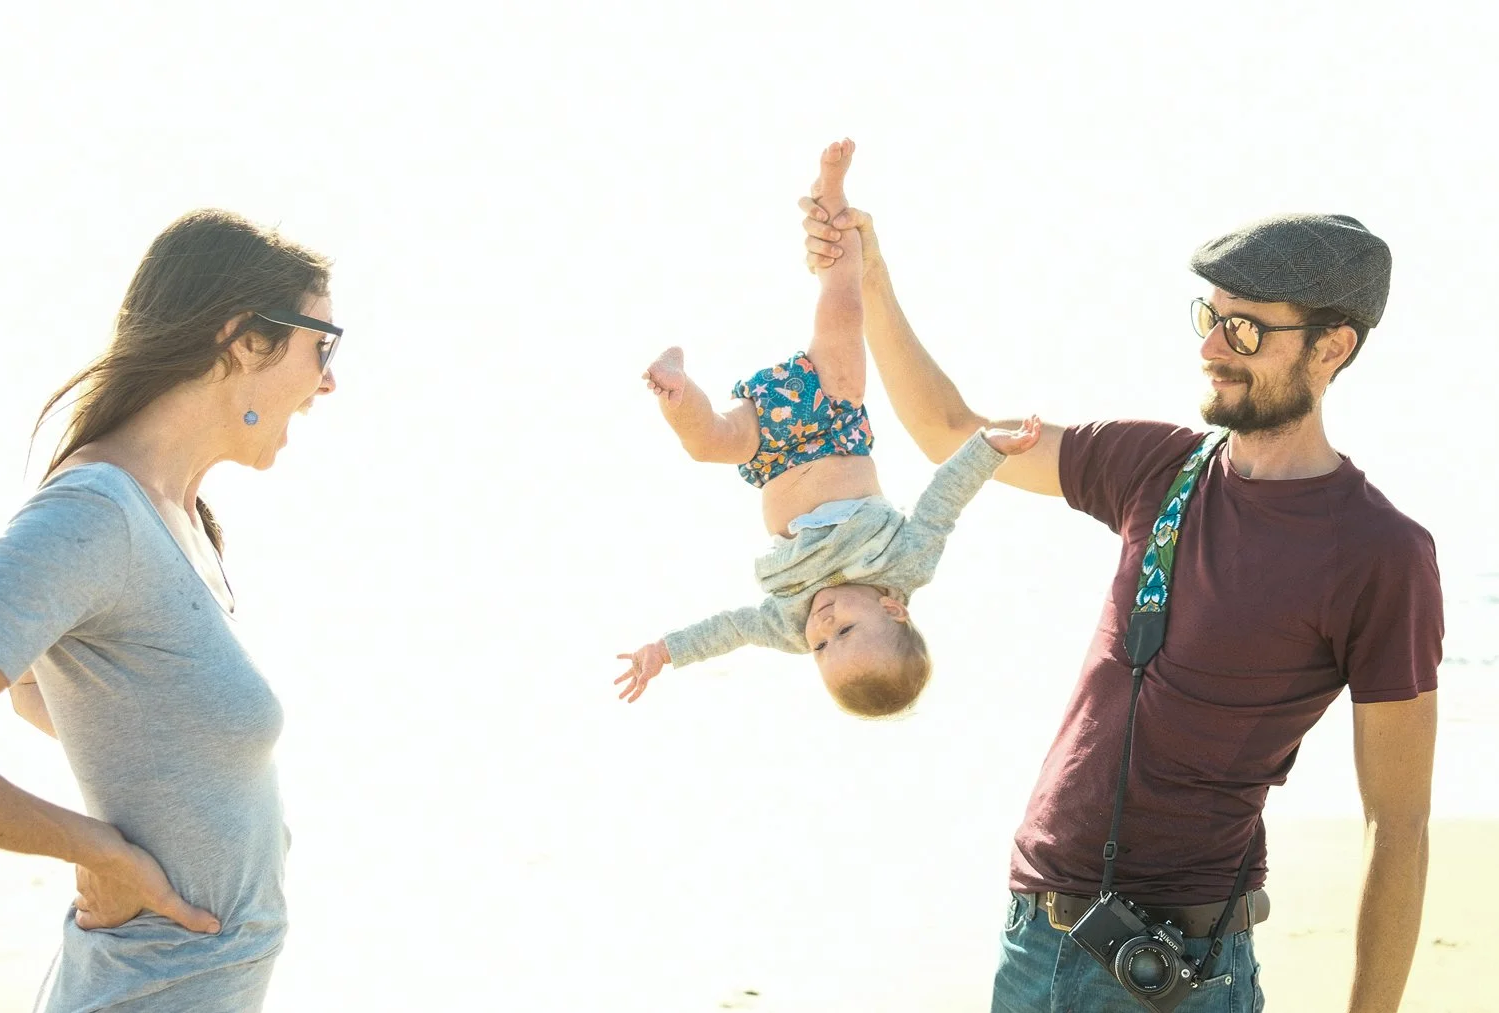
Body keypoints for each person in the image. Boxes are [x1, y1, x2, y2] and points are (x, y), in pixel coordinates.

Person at [799, 198, 1441, 1011]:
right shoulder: (1156, 465)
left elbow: (1399, 823)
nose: (1211, 346)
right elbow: (949, 430)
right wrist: (873, 274)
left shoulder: (1381, 553)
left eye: (1246, 330)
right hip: (1035, 938)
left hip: (1177, 972)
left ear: (1331, 347)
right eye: (1212, 317)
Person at [0, 208, 341, 1011]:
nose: (329, 381)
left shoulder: (177, 513)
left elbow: (44, 690)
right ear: (246, 338)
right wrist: (101, 850)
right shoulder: (96, 512)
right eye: (324, 345)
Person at [614, 140, 1041, 717]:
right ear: (894, 611)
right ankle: (832, 199)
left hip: (769, 455)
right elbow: (945, 500)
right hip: (833, 418)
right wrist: (990, 449)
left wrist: (665, 653)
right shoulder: (909, 565)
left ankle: (674, 387)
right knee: (844, 307)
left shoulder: (786, 624)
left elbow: (731, 629)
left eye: (820, 648)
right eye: (845, 633)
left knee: (707, 442)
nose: (822, 628)